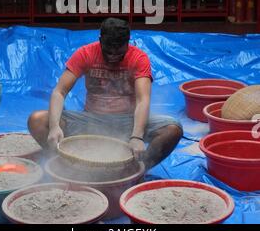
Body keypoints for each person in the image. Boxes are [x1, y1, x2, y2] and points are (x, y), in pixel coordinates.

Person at [28, 18, 183, 170]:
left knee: (172, 129)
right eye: (108, 51)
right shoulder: (86, 53)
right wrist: (55, 127)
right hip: (90, 120)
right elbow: (59, 91)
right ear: (100, 40)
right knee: (37, 120)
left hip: (127, 122)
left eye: (119, 51)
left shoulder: (139, 58)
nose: (113, 55)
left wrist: (137, 136)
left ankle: (136, 170)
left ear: (128, 42)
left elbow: (143, 100)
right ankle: (66, 166)